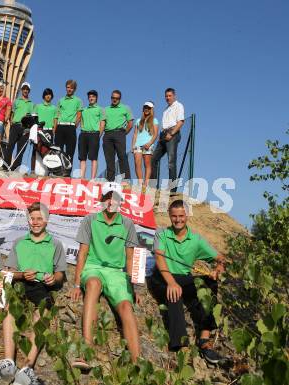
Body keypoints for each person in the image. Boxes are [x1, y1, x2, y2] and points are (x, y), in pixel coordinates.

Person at [0, 202, 67, 385]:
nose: (35, 222)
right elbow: (9, 272)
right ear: (28, 221)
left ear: (46, 220)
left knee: (44, 312)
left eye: (39, 219)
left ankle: (27, 368)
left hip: (42, 286)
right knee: (9, 306)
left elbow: (61, 273)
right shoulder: (19, 242)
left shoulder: (56, 244)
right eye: (32, 219)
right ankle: (8, 363)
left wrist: (54, 279)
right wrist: (21, 274)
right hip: (21, 283)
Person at [71, 182, 142, 368]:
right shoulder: (89, 220)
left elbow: (130, 258)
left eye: (115, 197)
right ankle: (86, 351)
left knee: (127, 306)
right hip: (93, 267)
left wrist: (134, 287)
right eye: (108, 197)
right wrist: (77, 284)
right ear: (101, 200)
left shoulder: (128, 224)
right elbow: (83, 253)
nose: (111, 201)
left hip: (116, 273)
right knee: (93, 285)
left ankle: (138, 365)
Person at [149, 200, 226, 363]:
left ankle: (204, 340)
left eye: (181, 216)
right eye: (174, 216)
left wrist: (217, 269)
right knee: (174, 295)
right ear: (170, 216)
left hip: (183, 278)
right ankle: (181, 346)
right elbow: (160, 259)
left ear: (187, 216)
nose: (178, 220)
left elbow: (220, 258)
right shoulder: (161, 234)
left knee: (209, 284)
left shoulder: (196, 239)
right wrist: (171, 282)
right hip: (162, 277)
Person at [151, 88, 185, 192]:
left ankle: (172, 190)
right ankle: (152, 186)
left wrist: (172, 133)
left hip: (172, 133)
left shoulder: (179, 106)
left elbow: (181, 122)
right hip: (163, 134)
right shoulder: (165, 109)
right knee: (153, 159)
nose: (167, 98)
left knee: (171, 161)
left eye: (169, 96)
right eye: (166, 96)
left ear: (174, 96)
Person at [103, 90, 133, 182]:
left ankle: (126, 180)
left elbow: (130, 123)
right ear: (111, 98)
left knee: (122, 156)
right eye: (113, 98)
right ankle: (110, 181)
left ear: (120, 99)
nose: (115, 100)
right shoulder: (105, 109)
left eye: (117, 98)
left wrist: (123, 134)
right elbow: (102, 123)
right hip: (107, 135)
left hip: (120, 133)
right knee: (109, 159)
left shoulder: (126, 108)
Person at [54, 79, 83, 172]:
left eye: (71, 88)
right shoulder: (60, 100)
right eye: (68, 87)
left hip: (71, 127)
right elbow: (57, 114)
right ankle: (58, 171)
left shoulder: (78, 101)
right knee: (58, 150)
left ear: (74, 89)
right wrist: (55, 128)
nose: (69, 89)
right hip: (60, 126)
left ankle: (67, 172)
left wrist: (75, 125)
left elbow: (79, 115)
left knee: (70, 151)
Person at [131, 101, 159, 188]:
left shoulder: (155, 120)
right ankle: (140, 183)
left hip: (148, 145)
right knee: (137, 163)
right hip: (138, 145)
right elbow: (135, 134)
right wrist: (133, 145)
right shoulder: (138, 121)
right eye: (145, 107)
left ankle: (146, 184)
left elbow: (155, 134)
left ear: (151, 109)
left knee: (147, 164)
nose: (147, 109)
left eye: (149, 108)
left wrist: (150, 143)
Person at [7, 82, 34, 171]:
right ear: (21, 90)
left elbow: (32, 117)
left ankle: (15, 167)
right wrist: (11, 122)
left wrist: (29, 128)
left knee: (21, 149)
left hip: (25, 128)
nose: (25, 90)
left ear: (29, 91)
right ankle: (6, 165)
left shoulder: (31, 104)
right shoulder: (16, 101)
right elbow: (12, 113)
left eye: (27, 89)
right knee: (10, 145)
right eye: (24, 89)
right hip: (15, 125)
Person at [78, 90, 105, 179]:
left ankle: (93, 179)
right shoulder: (84, 110)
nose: (91, 98)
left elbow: (102, 123)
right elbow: (81, 121)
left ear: (96, 98)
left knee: (93, 158)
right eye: (89, 97)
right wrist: (83, 130)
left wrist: (98, 135)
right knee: (82, 157)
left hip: (94, 135)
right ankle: (82, 177)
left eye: (93, 96)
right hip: (83, 134)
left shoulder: (100, 109)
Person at [32, 88, 57, 171]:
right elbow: (34, 118)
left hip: (49, 131)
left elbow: (55, 120)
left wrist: (53, 131)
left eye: (50, 94)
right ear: (44, 96)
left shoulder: (54, 108)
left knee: (48, 151)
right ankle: (33, 170)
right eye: (46, 94)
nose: (48, 96)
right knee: (36, 149)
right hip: (39, 130)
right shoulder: (38, 106)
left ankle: (48, 171)